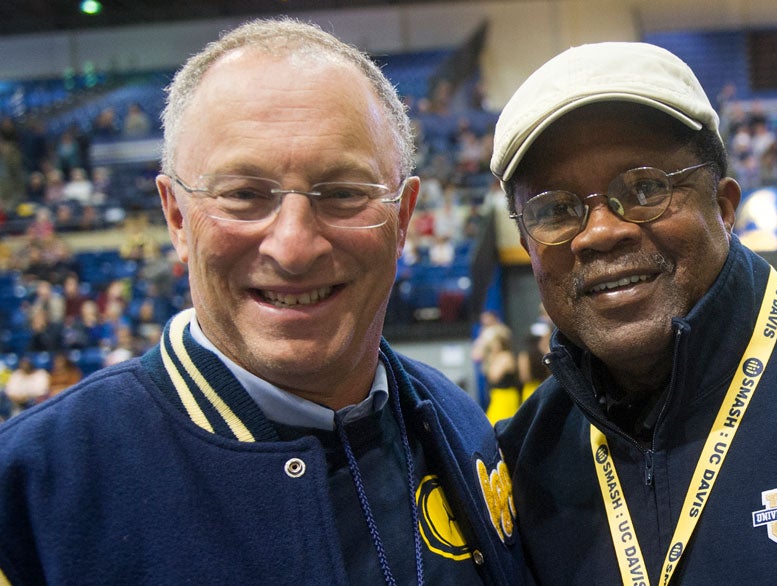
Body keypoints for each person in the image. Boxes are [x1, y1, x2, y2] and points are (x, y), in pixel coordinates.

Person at [0, 18, 526, 585]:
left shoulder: (457, 423)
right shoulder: (34, 490)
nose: (294, 247)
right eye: (244, 195)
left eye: (344, 193)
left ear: (402, 219)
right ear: (176, 217)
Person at [491, 42, 777, 583]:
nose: (600, 232)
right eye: (555, 210)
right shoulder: (522, 464)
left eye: (645, 187)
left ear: (723, 205)